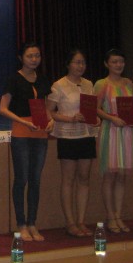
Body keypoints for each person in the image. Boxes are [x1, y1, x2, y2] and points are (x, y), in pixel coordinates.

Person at [0, 42, 53, 242]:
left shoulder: (43, 79)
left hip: (40, 133)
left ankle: (32, 223)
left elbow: (47, 107)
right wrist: (23, 122)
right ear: (21, 58)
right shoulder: (14, 79)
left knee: (35, 180)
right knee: (21, 179)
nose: (34, 59)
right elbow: (2, 109)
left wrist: (51, 120)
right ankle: (21, 224)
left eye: (37, 55)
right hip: (21, 131)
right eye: (30, 56)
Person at [46, 49, 98, 238]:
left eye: (83, 62)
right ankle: (70, 222)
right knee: (68, 180)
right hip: (67, 136)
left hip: (87, 135)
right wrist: (70, 119)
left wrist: (95, 118)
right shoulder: (59, 85)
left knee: (84, 179)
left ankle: (81, 221)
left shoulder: (89, 84)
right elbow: (49, 112)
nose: (80, 66)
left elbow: (93, 108)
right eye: (76, 62)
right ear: (68, 64)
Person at [94, 48, 133, 234]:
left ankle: (119, 216)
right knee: (109, 175)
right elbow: (96, 109)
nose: (118, 65)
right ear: (106, 64)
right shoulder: (101, 84)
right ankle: (110, 216)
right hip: (111, 131)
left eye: (121, 61)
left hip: (127, 132)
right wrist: (112, 118)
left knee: (122, 176)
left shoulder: (129, 83)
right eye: (114, 61)